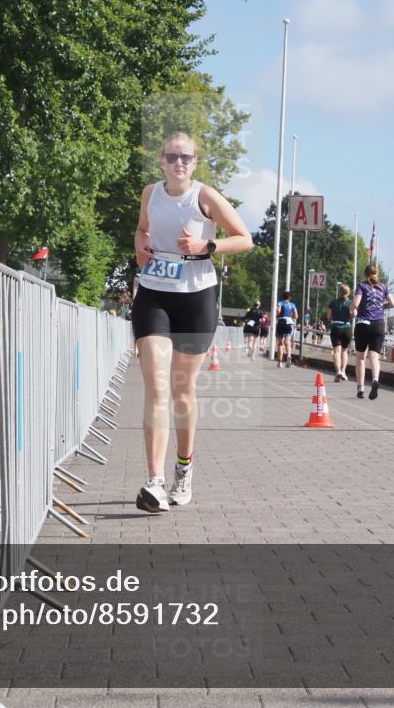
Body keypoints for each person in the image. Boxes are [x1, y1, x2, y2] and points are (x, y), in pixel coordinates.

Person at [132, 132, 252, 513]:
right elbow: (142, 231)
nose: (179, 163)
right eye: (172, 157)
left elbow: (244, 238)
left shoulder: (205, 196)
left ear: (195, 162)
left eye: (186, 157)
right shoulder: (150, 194)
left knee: (182, 392)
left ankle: (183, 470)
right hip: (154, 293)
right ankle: (154, 482)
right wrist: (141, 251)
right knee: (156, 385)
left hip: (196, 296)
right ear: (161, 161)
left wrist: (207, 247)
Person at [350, 264, 394, 400]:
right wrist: (382, 307)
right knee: (374, 356)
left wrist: (353, 311)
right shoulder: (383, 287)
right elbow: (393, 304)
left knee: (361, 358)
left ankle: (361, 388)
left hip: (363, 324)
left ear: (365, 274)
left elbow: (355, 304)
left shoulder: (361, 286)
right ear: (377, 273)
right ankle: (375, 379)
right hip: (378, 324)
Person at [327, 283, 353, 382]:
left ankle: (337, 371)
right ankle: (343, 371)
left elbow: (329, 317)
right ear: (348, 293)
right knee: (344, 351)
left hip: (336, 327)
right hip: (347, 328)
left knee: (336, 351)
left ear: (339, 292)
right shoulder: (350, 303)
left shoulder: (333, 302)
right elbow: (354, 314)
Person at [275, 291, 298, 368]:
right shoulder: (292, 305)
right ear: (289, 298)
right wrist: (291, 316)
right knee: (287, 341)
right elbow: (296, 316)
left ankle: (280, 362)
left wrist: (278, 314)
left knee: (280, 343)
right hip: (289, 323)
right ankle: (288, 355)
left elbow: (278, 311)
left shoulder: (280, 303)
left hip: (281, 321)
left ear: (283, 297)